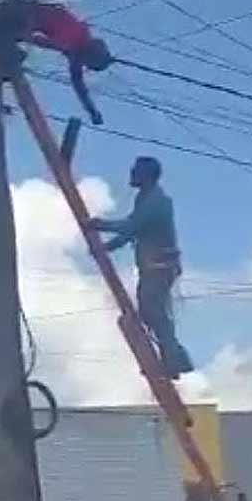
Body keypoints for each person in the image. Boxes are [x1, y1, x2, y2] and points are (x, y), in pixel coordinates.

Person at [88, 156, 194, 379]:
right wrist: (105, 247)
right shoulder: (145, 198)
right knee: (152, 312)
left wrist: (100, 226)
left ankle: (175, 360)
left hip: (161, 267)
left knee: (153, 311)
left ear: (147, 175)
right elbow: (131, 232)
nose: (131, 174)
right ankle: (174, 360)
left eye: (136, 171)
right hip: (154, 267)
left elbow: (130, 226)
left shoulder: (157, 201)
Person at [0, 0, 113, 125]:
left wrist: (92, 110)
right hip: (20, 13)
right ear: (89, 55)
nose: (83, 65)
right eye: (87, 63)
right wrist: (22, 36)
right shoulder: (71, 41)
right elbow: (39, 38)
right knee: (12, 57)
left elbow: (78, 83)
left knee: (13, 54)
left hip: (23, 13)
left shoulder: (80, 41)